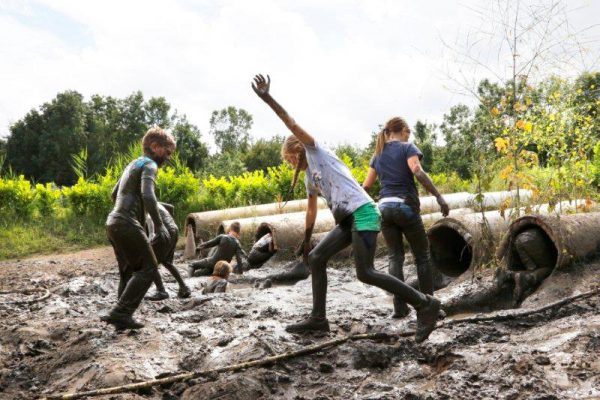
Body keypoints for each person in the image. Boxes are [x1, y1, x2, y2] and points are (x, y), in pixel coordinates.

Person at [252, 74, 440, 343]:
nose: (290, 163)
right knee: (316, 258)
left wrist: (267, 97)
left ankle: (425, 304)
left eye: (289, 158)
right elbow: (311, 211)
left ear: (297, 148)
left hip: (363, 212)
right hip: (348, 221)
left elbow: (290, 122)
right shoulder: (309, 176)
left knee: (366, 272)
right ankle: (318, 320)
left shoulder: (317, 151)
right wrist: (305, 242)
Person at [362, 117, 449, 318]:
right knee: (422, 257)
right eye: (407, 131)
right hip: (405, 206)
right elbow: (417, 171)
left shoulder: (377, 155)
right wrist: (439, 196)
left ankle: (399, 308)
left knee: (395, 257)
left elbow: (365, 187)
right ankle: (429, 306)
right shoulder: (407, 147)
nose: (408, 135)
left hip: (383, 208)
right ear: (399, 130)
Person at [101, 126, 176, 330]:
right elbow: (148, 195)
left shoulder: (132, 164)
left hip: (113, 222)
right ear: (154, 146)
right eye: (167, 152)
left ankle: (120, 317)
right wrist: (159, 226)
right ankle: (121, 313)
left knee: (127, 271)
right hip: (126, 223)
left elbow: (113, 193)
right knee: (149, 268)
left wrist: (126, 212)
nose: (168, 158)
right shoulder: (150, 164)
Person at [144, 202, 192, 301]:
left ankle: (161, 291)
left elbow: (148, 218)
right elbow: (171, 207)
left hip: (164, 232)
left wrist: (151, 235)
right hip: (173, 229)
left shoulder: (143, 200)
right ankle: (184, 287)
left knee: (149, 263)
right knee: (167, 262)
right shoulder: (156, 202)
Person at [509, 227, 555, 303]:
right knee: (548, 268)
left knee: (532, 269)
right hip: (532, 239)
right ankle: (526, 279)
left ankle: (509, 274)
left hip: (518, 240)